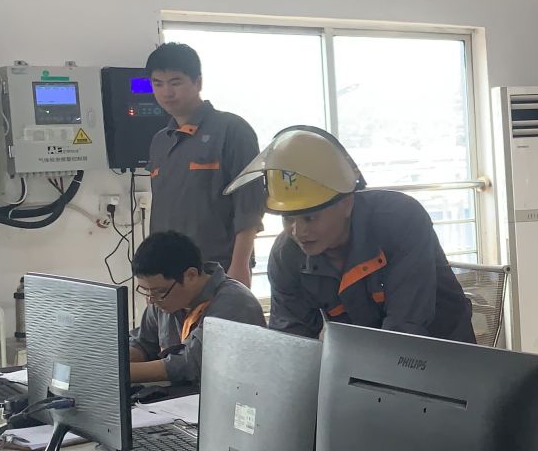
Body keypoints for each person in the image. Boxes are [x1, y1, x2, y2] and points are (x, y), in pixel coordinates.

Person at [225, 126, 475, 342]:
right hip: (363, 357)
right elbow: (291, 339)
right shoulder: (286, 255)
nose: (298, 231)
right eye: (288, 218)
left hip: (444, 355)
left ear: (346, 203)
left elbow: (405, 329)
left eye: (310, 218)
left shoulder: (400, 221)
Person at [146, 42, 266, 286]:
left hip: (217, 270)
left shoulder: (232, 130)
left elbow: (249, 205)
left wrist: (240, 265)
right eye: (158, 84)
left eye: (176, 82)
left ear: (198, 82)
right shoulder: (160, 141)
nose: (167, 92)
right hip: (168, 273)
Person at [128, 230, 264, 385]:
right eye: (145, 291)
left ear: (191, 275)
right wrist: (114, 361)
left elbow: (192, 364)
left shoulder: (235, 303)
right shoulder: (163, 299)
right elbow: (144, 343)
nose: (151, 300)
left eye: (159, 291)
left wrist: (123, 372)